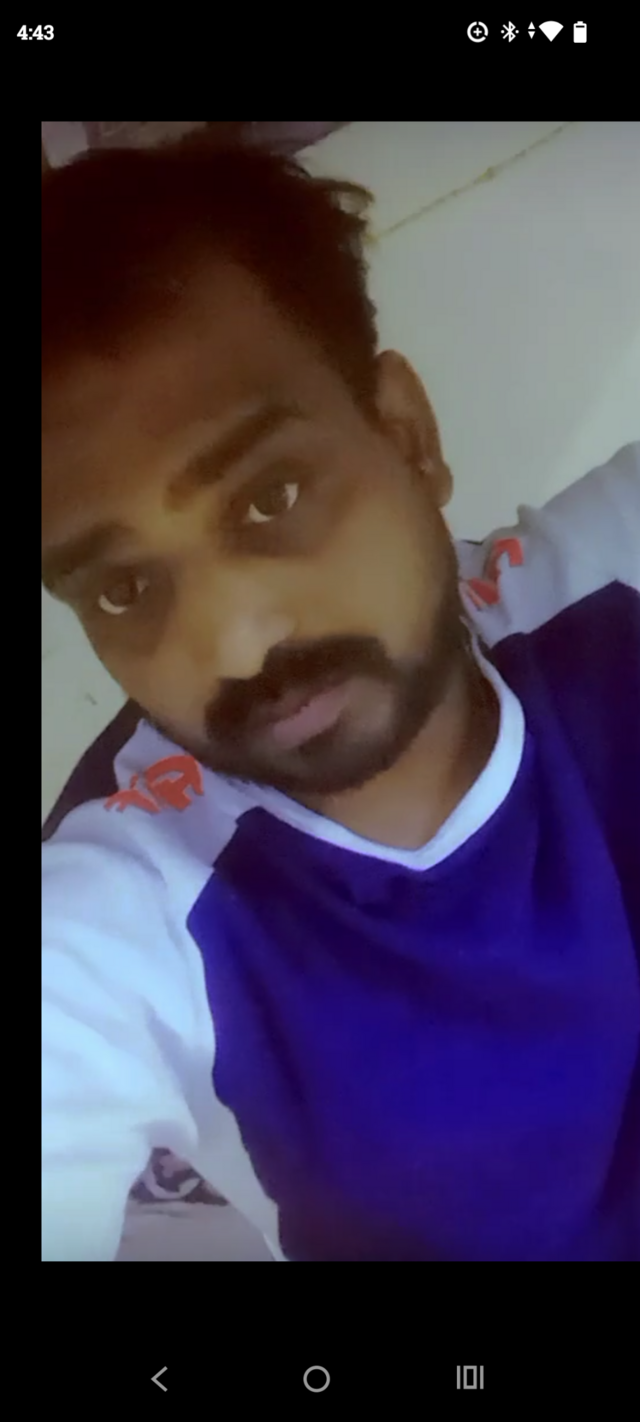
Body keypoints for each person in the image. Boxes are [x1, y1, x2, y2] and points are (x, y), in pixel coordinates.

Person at [41, 138, 640, 1263]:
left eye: (270, 496)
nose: (234, 643)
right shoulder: (128, 916)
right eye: (123, 589)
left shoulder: (608, 590)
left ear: (406, 436)